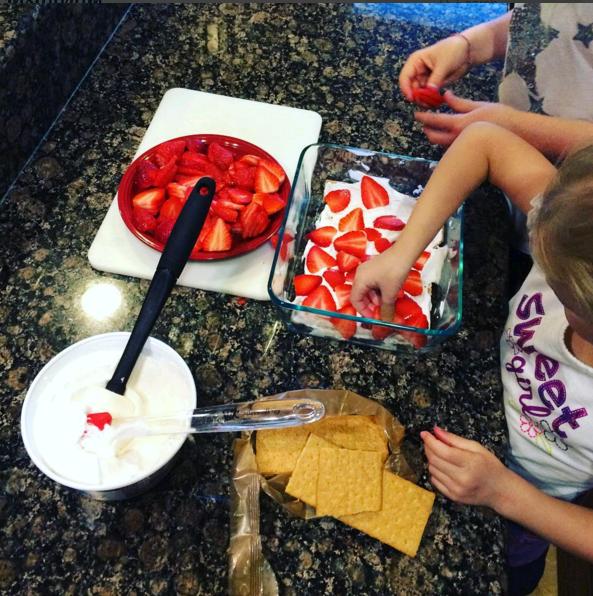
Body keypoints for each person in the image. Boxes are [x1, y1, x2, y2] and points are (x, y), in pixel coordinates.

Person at [350, 121, 593, 595]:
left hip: (528, 503)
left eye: (564, 297)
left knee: (505, 571)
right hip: (477, 404)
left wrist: (504, 493)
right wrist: (402, 252)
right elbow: (484, 141)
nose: (547, 283)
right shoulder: (576, 221)